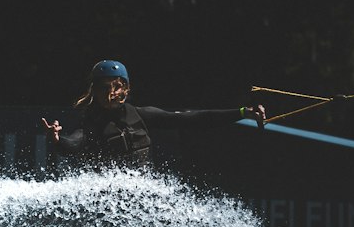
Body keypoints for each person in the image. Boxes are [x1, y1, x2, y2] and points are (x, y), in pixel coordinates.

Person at [42, 59, 265, 168]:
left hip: (143, 193)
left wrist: (242, 112)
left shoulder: (141, 114)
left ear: (126, 89)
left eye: (116, 87)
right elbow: (74, 143)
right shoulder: (91, 123)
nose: (111, 93)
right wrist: (57, 139)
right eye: (104, 88)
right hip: (108, 197)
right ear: (94, 90)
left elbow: (193, 118)